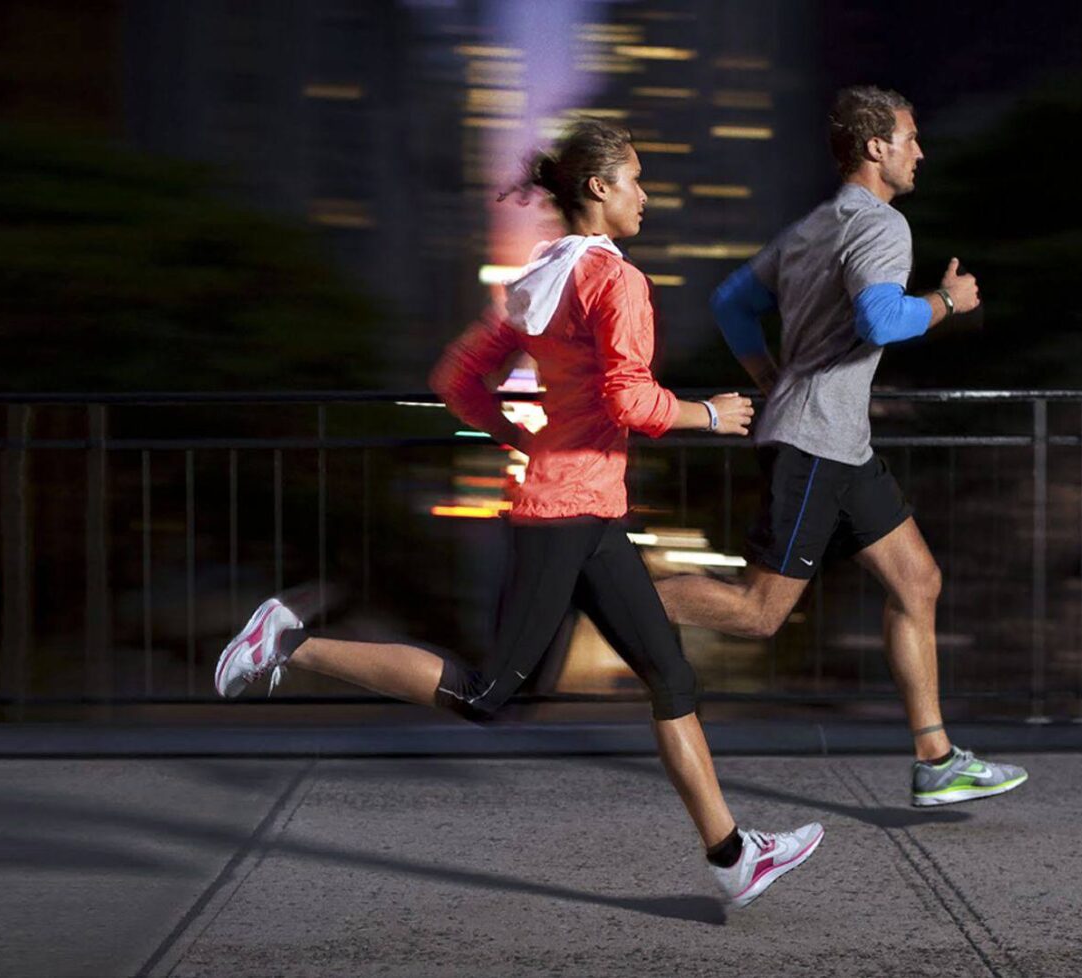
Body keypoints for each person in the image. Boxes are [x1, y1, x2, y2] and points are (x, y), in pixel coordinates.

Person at [215, 119, 821, 908]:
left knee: (669, 674)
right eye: (635, 180)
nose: (645, 196)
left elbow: (458, 377)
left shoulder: (542, 274)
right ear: (598, 189)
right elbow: (628, 400)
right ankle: (286, 643)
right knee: (489, 695)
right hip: (564, 514)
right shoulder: (614, 280)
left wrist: (514, 431)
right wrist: (708, 415)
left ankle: (731, 855)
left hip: (589, 510)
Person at [659, 86, 1028, 807]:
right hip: (814, 445)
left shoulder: (815, 225)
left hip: (839, 443)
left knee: (916, 582)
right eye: (910, 138)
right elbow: (881, 318)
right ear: (875, 147)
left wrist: (769, 374)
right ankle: (616, 598)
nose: (920, 151)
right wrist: (948, 302)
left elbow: (731, 301)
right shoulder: (882, 225)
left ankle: (935, 760)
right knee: (760, 612)